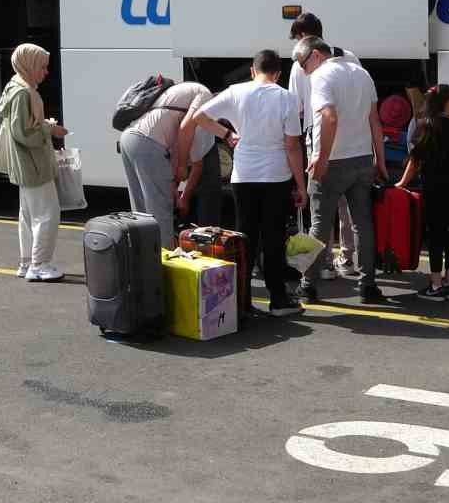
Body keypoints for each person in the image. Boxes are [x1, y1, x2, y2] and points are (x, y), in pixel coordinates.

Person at [187, 50, 308, 316]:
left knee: (246, 237)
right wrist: (301, 186)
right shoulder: (286, 98)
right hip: (276, 177)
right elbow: (292, 147)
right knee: (273, 238)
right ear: (278, 73)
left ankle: (242, 302)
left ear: (253, 70)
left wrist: (227, 134)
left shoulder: (235, 92)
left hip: (243, 176)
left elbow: (198, 117)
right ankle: (279, 300)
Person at [293, 36, 387, 304]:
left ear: (315, 55)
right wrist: (380, 160)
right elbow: (375, 122)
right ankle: (368, 285)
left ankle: (308, 286)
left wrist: (321, 158)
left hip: (333, 162)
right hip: (362, 159)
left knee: (320, 225)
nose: (302, 70)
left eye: (302, 63)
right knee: (362, 223)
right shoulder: (362, 73)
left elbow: (329, 117)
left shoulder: (321, 76)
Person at [288, 13, 363, 280]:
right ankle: (348, 258)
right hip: (353, 138)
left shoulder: (300, 65)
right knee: (349, 204)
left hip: (318, 135)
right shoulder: (350, 57)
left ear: (303, 37)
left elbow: (295, 108)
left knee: (320, 205)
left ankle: (323, 265)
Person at [0, 44, 69, 282]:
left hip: (24, 164)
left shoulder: (15, 87)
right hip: (33, 164)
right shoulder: (23, 93)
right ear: (28, 65)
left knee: (28, 215)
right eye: (42, 66)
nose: (46, 72)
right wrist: (50, 129)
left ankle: (27, 262)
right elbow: (24, 133)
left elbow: (20, 129)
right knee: (47, 214)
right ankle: (39, 265)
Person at [395, 84, 449, 300]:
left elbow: (415, 162)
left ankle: (435, 285)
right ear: (446, 103)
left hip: (433, 189)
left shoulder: (424, 126)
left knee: (435, 236)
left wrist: (401, 183)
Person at [120, 80, 216, 247]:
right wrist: (181, 174)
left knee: (142, 215)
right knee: (161, 215)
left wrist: (177, 192)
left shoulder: (179, 93)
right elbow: (187, 132)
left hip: (128, 139)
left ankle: (143, 262)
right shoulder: (205, 96)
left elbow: (168, 165)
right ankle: (163, 266)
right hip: (148, 144)